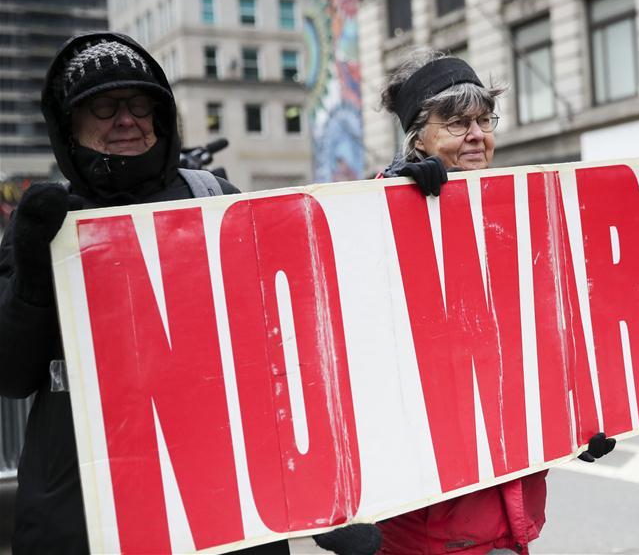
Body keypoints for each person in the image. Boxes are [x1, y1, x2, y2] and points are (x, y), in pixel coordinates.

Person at [0, 32, 378, 555]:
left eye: (140, 104)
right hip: (86, 518)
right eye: (104, 107)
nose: (126, 119)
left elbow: (282, 354)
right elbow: (11, 375)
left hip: (224, 514)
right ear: (69, 127)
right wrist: (34, 277)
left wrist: (325, 499)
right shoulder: (45, 222)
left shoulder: (217, 201)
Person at [377, 49, 616, 554]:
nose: (477, 135)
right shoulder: (377, 211)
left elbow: (546, 340)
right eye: (457, 122)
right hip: (426, 526)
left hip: (511, 509)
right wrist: (395, 197)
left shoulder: (514, 219)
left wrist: (579, 422)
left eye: (484, 120)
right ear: (417, 138)